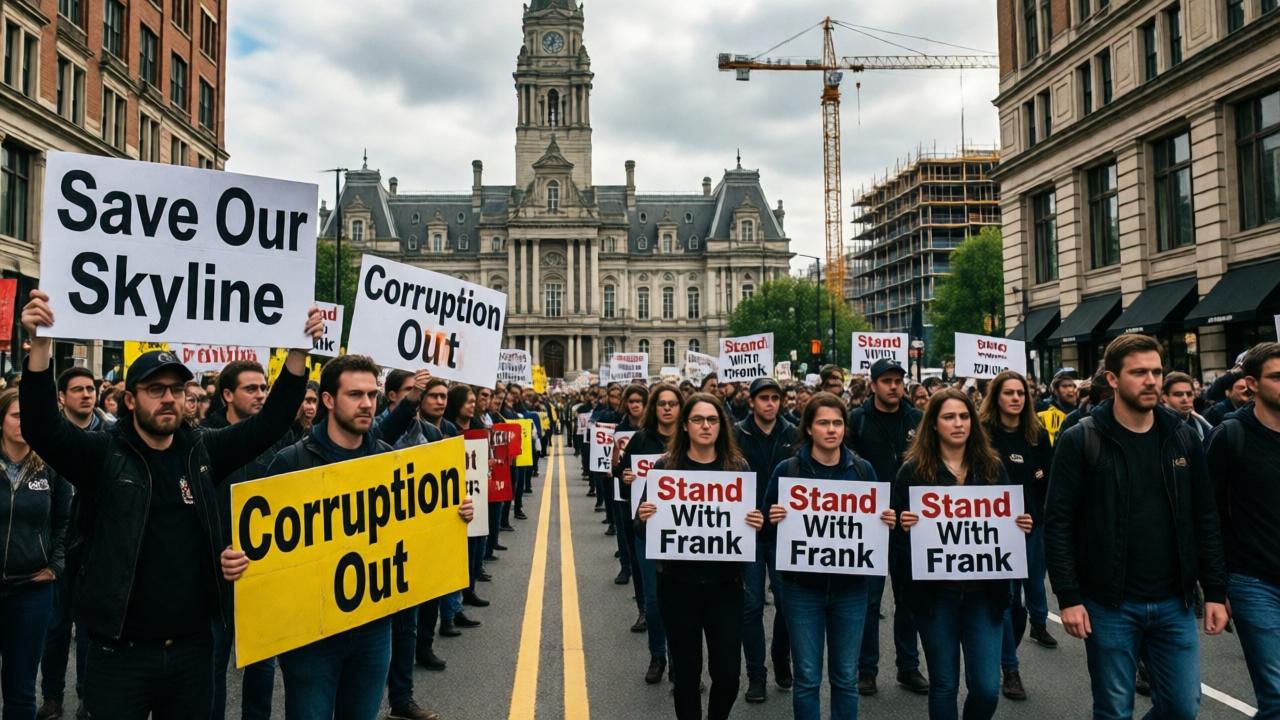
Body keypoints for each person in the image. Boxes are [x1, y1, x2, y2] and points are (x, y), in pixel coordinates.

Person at [18, 289, 322, 718]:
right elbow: (42, 429)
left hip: (192, 650)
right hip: (118, 652)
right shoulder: (102, 455)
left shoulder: (202, 451)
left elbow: (269, 425)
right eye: (155, 389)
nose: (169, 399)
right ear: (130, 400)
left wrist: (296, 353)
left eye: (177, 390)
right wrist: (43, 346)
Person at [222, 355, 471, 720]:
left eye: (371, 394)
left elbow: (413, 526)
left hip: (373, 632)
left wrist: (453, 513)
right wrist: (236, 558)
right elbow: (261, 546)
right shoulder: (292, 463)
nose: (367, 404)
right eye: (355, 394)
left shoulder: (387, 459)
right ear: (327, 400)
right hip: (310, 638)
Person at [1046, 333, 1229, 720]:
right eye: (1139, 372)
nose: (1151, 381)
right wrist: (1068, 597)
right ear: (1112, 379)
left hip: (1173, 602)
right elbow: (1059, 522)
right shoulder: (1081, 439)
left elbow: (1205, 517)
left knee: (1182, 707)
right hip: (1109, 602)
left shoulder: (1182, 436)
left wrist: (1215, 589)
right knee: (1114, 710)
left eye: (1157, 372)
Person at [892, 388, 1033, 720]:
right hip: (935, 595)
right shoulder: (912, 472)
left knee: (985, 688)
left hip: (984, 594)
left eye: (964, 416)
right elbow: (894, 543)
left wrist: (1020, 524)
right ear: (934, 425)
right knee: (944, 685)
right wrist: (902, 525)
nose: (958, 423)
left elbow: (1007, 526)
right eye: (949, 417)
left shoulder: (992, 467)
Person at [764, 391, 894, 720]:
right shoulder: (787, 470)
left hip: (850, 590)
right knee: (807, 679)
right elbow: (763, 526)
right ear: (809, 428)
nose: (831, 429)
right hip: (801, 590)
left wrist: (886, 521)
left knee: (845, 679)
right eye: (823, 423)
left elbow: (875, 530)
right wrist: (772, 518)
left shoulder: (862, 471)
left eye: (837, 423)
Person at [637, 393, 765, 720]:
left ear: (722, 426)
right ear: (685, 425)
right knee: (687, 677)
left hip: (725, 588)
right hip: (678, 587)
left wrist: (757, 521)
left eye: (712, 420)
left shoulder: (737, 468)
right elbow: (641, 528)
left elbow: (750, 526)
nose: (705, 426)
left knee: (727, 677)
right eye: (698, 419)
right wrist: (644, 516)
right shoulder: (665, 468)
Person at [205, 360, 296, 720]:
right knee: (212, 664)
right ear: (227, 395)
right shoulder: (203, 441)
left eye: (264, 388)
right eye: (251, 388)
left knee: (262, 666)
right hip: (217, 574)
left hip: (265, 573)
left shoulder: (280, 438)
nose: (260, 395)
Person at [846, 358, 928, 696]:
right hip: (871, 524)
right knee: (868, 600)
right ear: (874, 384)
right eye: (887, 381)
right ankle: (867, 669)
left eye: (898, 380)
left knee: (909, 600)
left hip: (910, 523)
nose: (894, 386)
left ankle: (908, 666)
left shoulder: (918, 419)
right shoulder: (857, 420)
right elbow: (847, 469)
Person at [978, 371, 1055, 703]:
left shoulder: (1037, 434)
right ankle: (1010, 668)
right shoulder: (982, 435)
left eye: (1020, 393)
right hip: (997, 532)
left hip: (1032, 526)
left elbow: (1046, 478)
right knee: (1006, 600)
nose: (1015, 398)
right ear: (996, 397)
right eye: (1008, 393)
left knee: (1026, 597)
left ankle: (1025, 630)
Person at [1211, 342, 1280, 716]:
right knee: (1277, 696)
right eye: (1278, 377)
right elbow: (1209, 514)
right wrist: (1216, 586)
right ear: (1251, 383)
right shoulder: (1230, 435)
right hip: (1254, 583)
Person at [39, 368, 109, 720]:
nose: (86, 394)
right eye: (78, 389)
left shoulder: (112, 435)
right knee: (55, 626)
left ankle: (87, 695)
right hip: (57, 549)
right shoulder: (52, 438)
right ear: (62, 397)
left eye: (91, 388)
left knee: (89, 630)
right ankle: (52, 695)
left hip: (96, 546)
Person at [0, 388, 72, 720]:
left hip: (32, 591)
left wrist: (56, 564)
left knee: (21, 690)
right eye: (17, 415)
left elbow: (66, 520)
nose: (24, 422)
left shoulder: (51, 465)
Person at [734, 377, 798, 703]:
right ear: (752, 402)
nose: (770, 403)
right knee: (751, 605)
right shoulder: (736, 433)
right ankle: (756, 674)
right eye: (764, 398)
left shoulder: (795, 433)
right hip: (748, 533)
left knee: (788, 605)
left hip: (786, 533)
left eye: (775, 398)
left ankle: (780, 656)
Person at [617, 383, 680, 684]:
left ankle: (682, 660)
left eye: (673, 403)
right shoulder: (641, 440)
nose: (667, 408)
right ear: (654, 408)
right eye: (662, 404)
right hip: (649, 528)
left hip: (685, 532)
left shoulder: (691, 440)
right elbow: (621, 471)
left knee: (685, 602)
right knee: (654, 600)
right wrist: (625, 476)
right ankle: (658, 655)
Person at [610, 385, 648, 588]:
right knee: (625, 532)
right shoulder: (620, 430)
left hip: (647, 492)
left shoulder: (652, 430)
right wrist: (621, 473)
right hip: (624, 490)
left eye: (639, 402)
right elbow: (614, 464)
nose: (635, 405)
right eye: (631, 401)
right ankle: (626, 567)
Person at [1163, 372, 1213, 441]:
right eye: (1178, 394)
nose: (1185, 399)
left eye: (1189, 394)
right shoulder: (1157, 425)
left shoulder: (1202, 424)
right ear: (1164, 397)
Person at [1036, 369, 1077, 443]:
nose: (1071, 390)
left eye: (1072, 386)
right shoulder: (1044, 410)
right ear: (1055, 390)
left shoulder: (1083, 409)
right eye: (1065, 386)